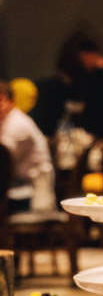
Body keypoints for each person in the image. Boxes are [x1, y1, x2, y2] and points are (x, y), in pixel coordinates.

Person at [0, 79, 54, 212]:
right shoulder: (5, 121)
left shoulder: (18, 124)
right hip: (16, 186)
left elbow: (3, 162)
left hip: (31, 194)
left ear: (12, 102)